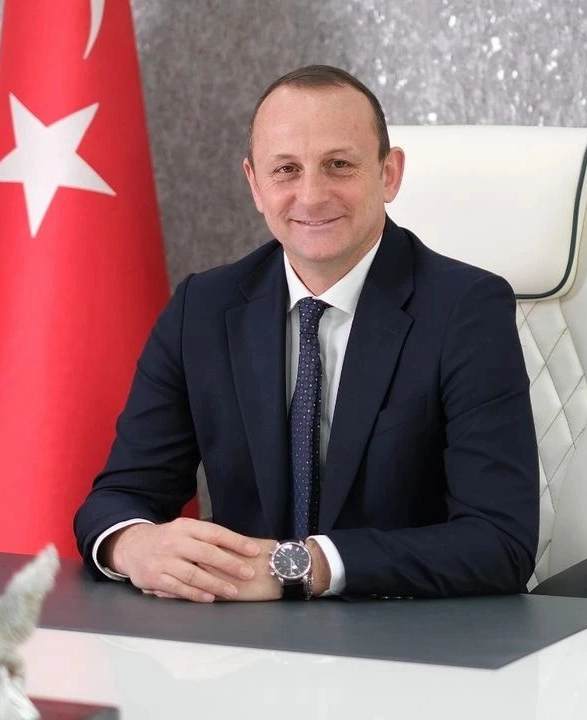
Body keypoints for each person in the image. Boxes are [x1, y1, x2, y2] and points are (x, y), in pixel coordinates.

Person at [73, 64, 538, 602]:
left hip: (402, 635)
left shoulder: (466, 310)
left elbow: (499, 542)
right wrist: (134, 545)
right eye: (286, 170)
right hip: (239, 638)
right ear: (255, 184)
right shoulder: (202, 309)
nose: (311, 196)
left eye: (339, 165)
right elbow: (119, 496)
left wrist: (304, 567)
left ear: (389, 174)